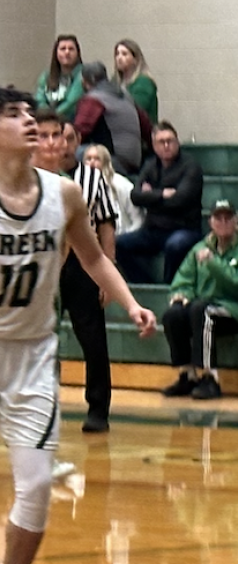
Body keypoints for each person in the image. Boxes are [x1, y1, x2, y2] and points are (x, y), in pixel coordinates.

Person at [0, 86, 156, 564]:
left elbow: (93, 258)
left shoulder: (64, 195)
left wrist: (131, 304)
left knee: (38, 488)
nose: (27, 120)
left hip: (32, 354)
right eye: (13, 113)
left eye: (32, 113)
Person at [30, 113, 118, 434]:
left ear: (72, 140)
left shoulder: (92, 179)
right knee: (40, 338)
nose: (57, 143)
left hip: (83, 264)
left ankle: (98, 409)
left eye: (62, 136)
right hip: (42, 264)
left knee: (93, 338)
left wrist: (108, 270)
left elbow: (107, 224)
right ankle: (41, 407)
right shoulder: (27, 179)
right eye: (48, 135)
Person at [160, 199, 238, 401]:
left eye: (228, 218)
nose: (223, 222)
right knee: (173, 314)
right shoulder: (200, 248)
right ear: (211, 222)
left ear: (237, 221)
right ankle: (187, 374)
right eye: (218, 218)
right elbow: (183, 279)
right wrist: (181, 294)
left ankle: (210, 378)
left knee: (202, 310)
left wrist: (214, 264)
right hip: (202, 308)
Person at [117, 121, 205, 284]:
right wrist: (163, 194)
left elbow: (181, 200)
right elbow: (135, 196)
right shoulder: (150, 165)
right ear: (154, 145)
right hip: (153, 229)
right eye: (161, 142)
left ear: (177, 142)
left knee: (175, 246)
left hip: (184, 228)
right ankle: (144, 283)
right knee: (119, 244)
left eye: (170, 141)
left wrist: (150, 195)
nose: (166, 145)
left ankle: (169, 287)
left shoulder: (191, 166)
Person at [68, 61, 151, 176]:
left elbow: (80, 131)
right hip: (135, 162)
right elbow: (148, 129)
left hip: (113, 161)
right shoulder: (127, 97)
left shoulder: (94, 99)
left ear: (85, 82)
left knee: (69, 152)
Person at [84, 143, 142, 237]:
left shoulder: (121, 184)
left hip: (124, 237)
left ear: (105, 162)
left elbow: (138, 220)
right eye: (89, 159)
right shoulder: (82, 188)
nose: (92, 162)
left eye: (97, 159)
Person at [35, 35, 83, 125]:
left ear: (77, 53)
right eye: (63, 49)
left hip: (72, 124)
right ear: (56, 53)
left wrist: (52, 118)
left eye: (71, 49)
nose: (67, 52)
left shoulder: (82, 74)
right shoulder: (46, 76)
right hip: (47, 122)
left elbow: (71, 103)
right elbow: (39, 99)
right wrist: (46, 117)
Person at [112, 39, 160, 125]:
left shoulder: (144, 82)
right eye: (117, 54)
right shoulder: (115, 81)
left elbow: (136, 109)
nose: (119, 58)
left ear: (135, 59)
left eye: (124, 54)